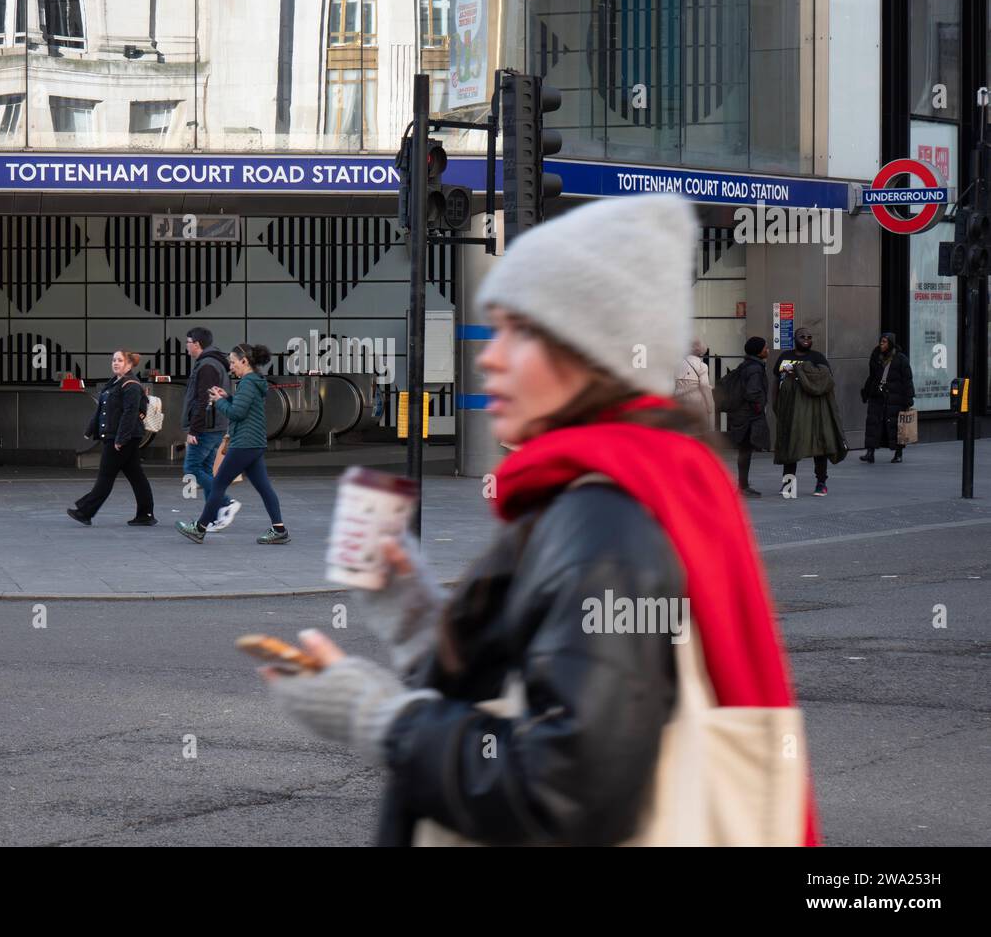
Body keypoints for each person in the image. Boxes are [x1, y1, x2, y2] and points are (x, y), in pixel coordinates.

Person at [258, 195, 819, 847]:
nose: (490, 357)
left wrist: (375, 715)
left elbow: (562, 791)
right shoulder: (608, 488)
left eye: (519, 331)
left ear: (591, 352)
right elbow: (528, 689)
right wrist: (412, 615)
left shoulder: (602, 521)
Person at [175, 344, 288, 545]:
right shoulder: (254, 382)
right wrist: (227, 397)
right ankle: (279, 529)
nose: (231, 366)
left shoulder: (247, 383)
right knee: (264, 487)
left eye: (233, 362)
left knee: (218, 484)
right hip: (255, 442)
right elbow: (244, 406)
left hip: (244, 442)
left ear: (244, 361)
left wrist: (219, 401)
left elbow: (237, 413)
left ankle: (199, 528)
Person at [67, 350, 155, 526]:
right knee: (136, 476)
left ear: (129, 365)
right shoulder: (114, 383)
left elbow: (130, 414)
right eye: (114, 360)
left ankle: (85, 511)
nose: (115, 363)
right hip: (118, 436)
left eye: (120, 360)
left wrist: (120, 440)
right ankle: (145, 514)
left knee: (106, 476)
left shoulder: (131, 385)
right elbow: (102, 409)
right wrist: (90, 429)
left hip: (122, 438)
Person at [771, 328, 846, 497]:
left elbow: (826, 380)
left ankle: (821, 483)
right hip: (790, 409)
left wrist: (800, 371)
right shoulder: (784, 356)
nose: (806, 339)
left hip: (814, 410)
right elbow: (776, 381)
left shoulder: (817, 357)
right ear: (795, 339)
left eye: (809, 337)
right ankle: (788, 485)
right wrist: (776, 403)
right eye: (802, 336)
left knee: (819, 445)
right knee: (790, 446)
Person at [181, 327, 239, 532]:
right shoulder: (215, 363)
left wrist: (194, 430)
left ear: (197, 343)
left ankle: (225, 502)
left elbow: (202, 400)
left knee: (192, 468)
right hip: (217, 424)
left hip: (206, 427)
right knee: (205, 469)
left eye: (188, 342)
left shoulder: (206, 366)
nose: (186, 346)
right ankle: (212, 516)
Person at [860, 332, 914, 464]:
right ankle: (870, 452)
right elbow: (872, 377)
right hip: (877, 396)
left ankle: (898, 453)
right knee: (873, 424)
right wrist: (867, 392)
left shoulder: (901, 359)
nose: (881, 344)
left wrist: (908, 400)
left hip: (895, 398)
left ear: (890, 343)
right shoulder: (876, 356)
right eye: (881, 341)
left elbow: (907, 380)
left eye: (884, 342)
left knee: (896, 426)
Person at [727, 337, 770, 497]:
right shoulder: (755, 368)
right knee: (745, 451)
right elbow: (752, 392)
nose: (768, 350)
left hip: (742, 414)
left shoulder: (747, 365)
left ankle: (742, 485)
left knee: (744, 451)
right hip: (748, 416)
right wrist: (758, 409)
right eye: (766, 347)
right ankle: (742, 486)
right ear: (759, 351)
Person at [673, 338, 715, 428]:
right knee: (695, 427)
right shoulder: (702, 366)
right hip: (695, 399)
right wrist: (710, 405)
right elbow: (704, 386)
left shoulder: (677, 364)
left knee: (681, 427)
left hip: (678, 398)